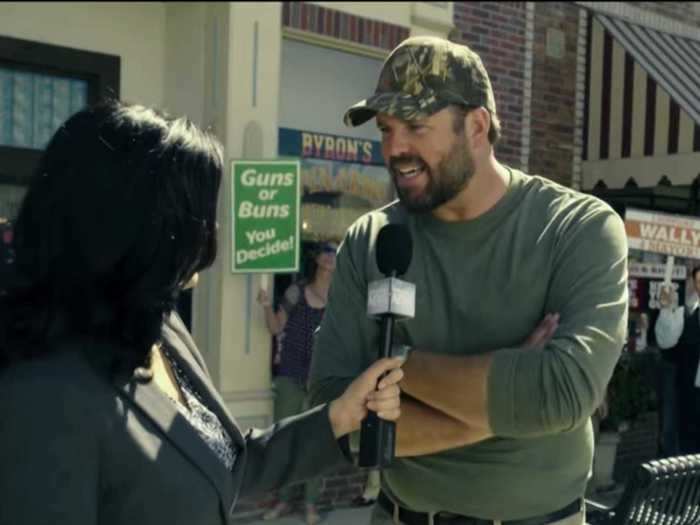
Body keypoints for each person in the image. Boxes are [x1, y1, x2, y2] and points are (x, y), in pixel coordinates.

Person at [0, 100, 405, 525]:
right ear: (137, 227)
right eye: (197, 216)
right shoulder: (42, 397)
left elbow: (225, 463)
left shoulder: (161, 326)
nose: (210, 236)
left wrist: (340, 415)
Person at [309, 36, 628, 525]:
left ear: (477, 127)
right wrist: (507, 404)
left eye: (416, 126)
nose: (395, 148)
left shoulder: (576, 228)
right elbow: (335, 421)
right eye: (387, 129)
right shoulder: (370, 239)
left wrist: (398, 368)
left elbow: (563, 394)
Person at [257, 241, 338, 525]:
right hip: (291, 376)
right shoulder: (296, 291)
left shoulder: (341, 296)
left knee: (314, 443)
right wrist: (267, 306)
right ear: (317, 258)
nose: (331, 257)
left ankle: (311, 503)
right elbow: (276, 327)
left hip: (320, 379)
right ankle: (281, 500)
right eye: (327, 251)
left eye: (336, 253)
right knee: (286, 441)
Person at [655, 269, 700, 454]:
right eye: (699, 281)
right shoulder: (685, 314)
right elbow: (665, 341)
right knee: (689, 447)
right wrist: (666, 309)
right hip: (691, 395)